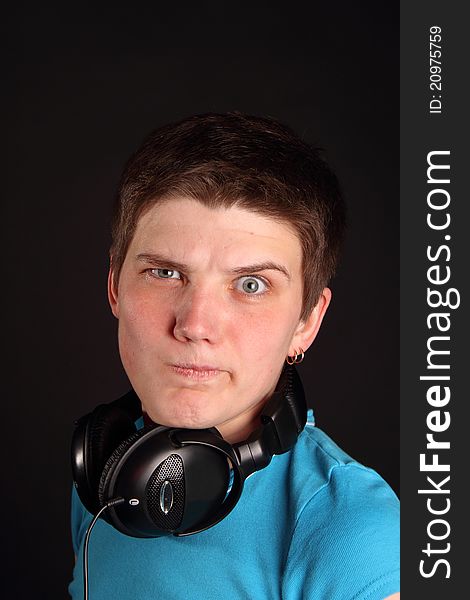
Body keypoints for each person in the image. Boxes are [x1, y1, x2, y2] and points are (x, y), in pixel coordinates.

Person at [69, 112, 400, 599]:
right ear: (115, 285)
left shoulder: (355, 534)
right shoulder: (108, 477)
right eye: (164, 273)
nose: (195, 325)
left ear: (306, 321)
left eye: (251, 285)